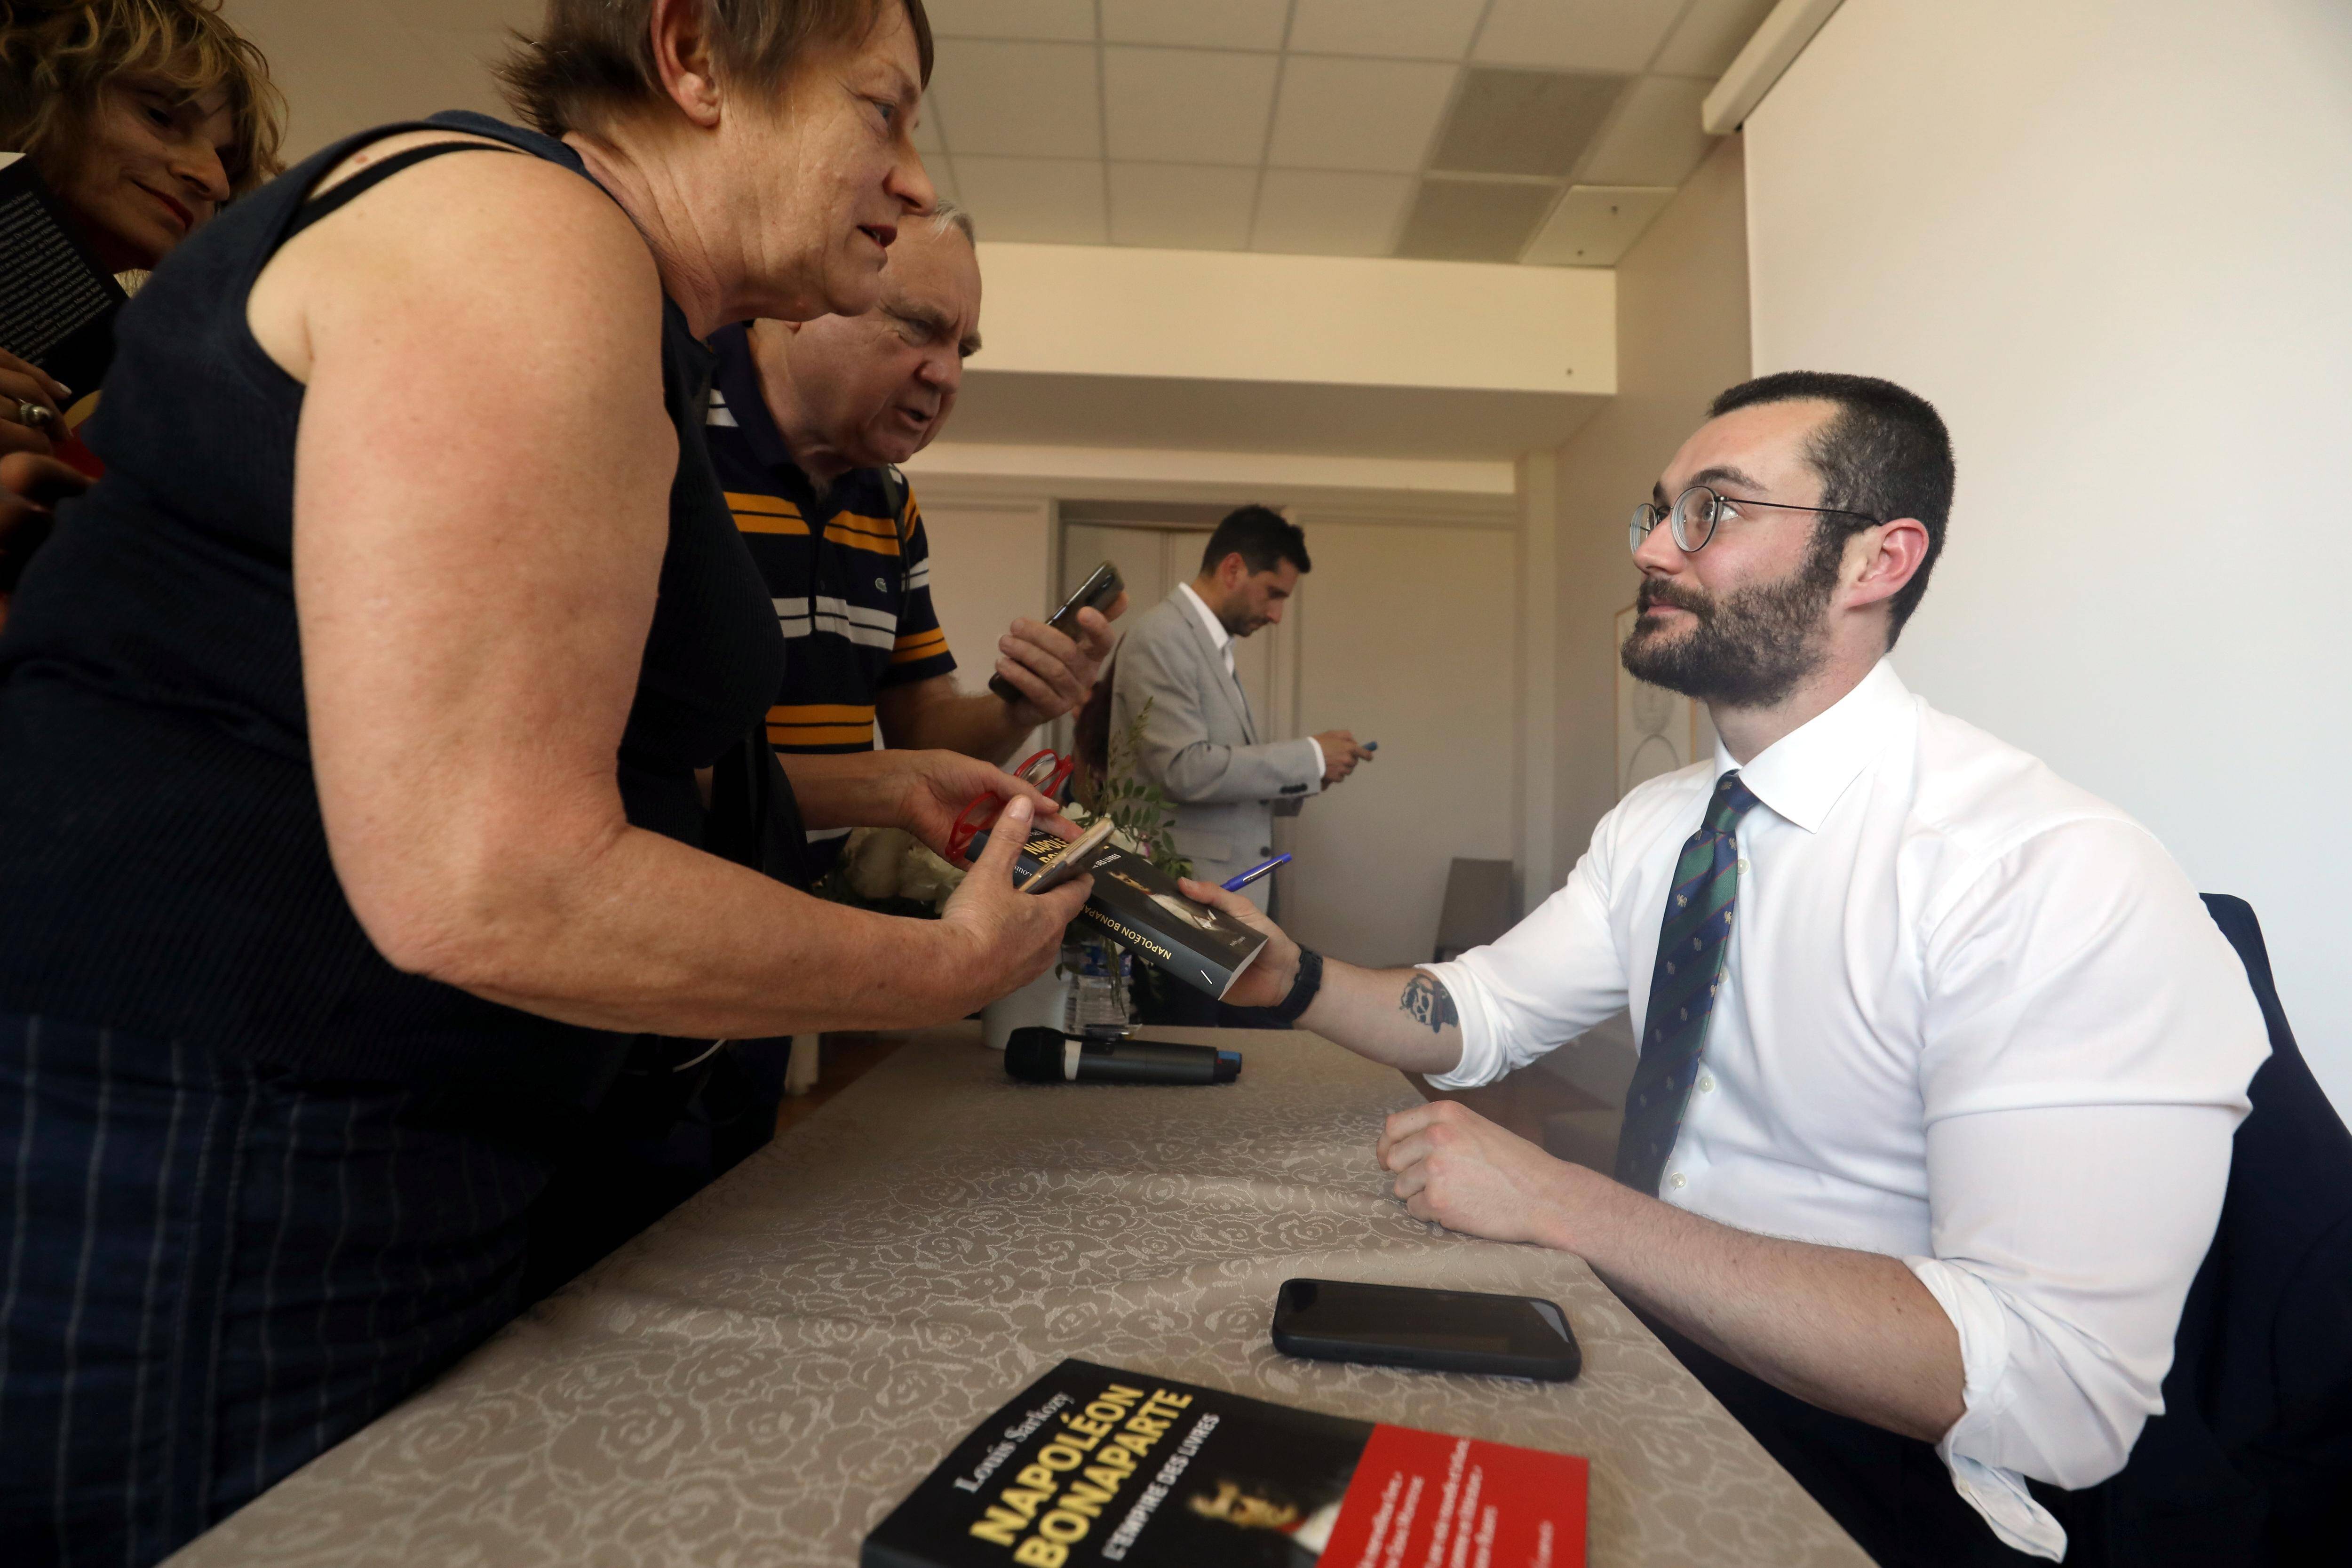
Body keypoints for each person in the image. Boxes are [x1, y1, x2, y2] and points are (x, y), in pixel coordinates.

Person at [0, 0, 1092, 1561]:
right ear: (696, 58)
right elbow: (489, 872)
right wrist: (940, 966)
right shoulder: (529, 233)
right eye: (883, 111)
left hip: (331, 1149)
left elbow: (484, 725)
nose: (911, 182)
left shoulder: (619, 317)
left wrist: (862, 790)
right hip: (212, 1173)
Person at [1183, 374, 2270, 1567]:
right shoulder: (1662, 827)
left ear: (1876, 560)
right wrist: (1287, 979)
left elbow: (2054, 1393)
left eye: (1713, 511)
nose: (1653, 547)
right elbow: (1482, 1012)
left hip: (1891, 1479)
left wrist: (1559, 1202)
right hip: (1657, 1355)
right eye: (1656, 512)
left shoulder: (2049, 873)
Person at [705, 200, 1122, 852]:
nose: (949, 376)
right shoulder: (666, 425)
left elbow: (921, 729)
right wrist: (886, 789)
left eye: (963, 349)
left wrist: (1019, 707)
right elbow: (624, 757)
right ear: (801, 298)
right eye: (917, 328)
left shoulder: (890, 499)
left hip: (814, 912)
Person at [0, 0, 283, 615]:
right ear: (33, 88)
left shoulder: (177, 390)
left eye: (229, 162)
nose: (213, 181)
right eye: (160, 115)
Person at [1110, 505, 1370, 910]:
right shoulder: (1162, 636)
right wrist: (1309, 757)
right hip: (1186, 892)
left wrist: (1314, 773)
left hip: (1225, 886)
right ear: (1233, 569)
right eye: (1274, 593)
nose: (1277, 615)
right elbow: (1183, 769)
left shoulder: (1208, 644)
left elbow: (1215, 774)